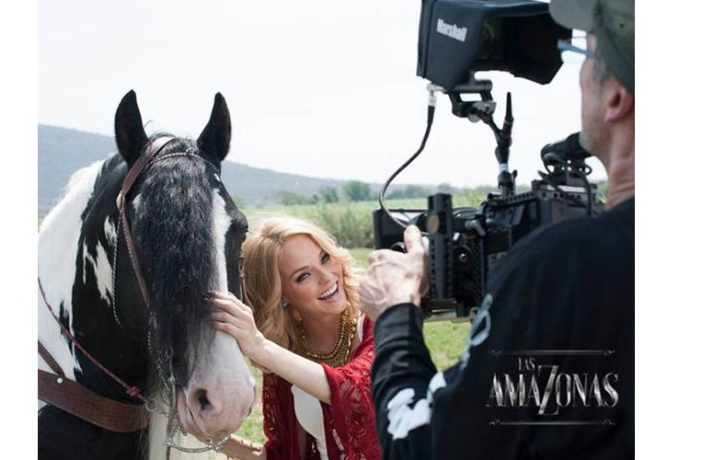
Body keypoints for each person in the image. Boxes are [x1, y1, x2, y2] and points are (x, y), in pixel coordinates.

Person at [358, 0, 634, 458]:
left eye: (585, 58)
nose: (580, 78)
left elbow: (422, 445)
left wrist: (395, 312)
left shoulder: (567, 270)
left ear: (616, 97)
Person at [183, 216, 380, 459]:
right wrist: (210, 436)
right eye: (303, 276)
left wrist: (260, 346)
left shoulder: (379, 318)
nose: (327, 277)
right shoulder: (286, 351)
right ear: (280, 296)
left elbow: (359, 392)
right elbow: (284, 454)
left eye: (325, 258)